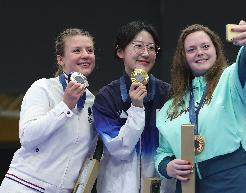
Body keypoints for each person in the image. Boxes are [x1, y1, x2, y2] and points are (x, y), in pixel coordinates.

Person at [155, 20, 246, 193]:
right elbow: (163, 150)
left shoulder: (233, 80)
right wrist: (167, 167)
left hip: (235, 178)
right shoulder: (172, 106)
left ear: (216, 49)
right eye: (191, 50)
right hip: (189, 185)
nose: (199, 53)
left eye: (205, 46)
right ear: (183, 58)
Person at [0, 28, 97, 193]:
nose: (85, 54)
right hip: (25, 186)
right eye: (76, 50)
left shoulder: (92, 102)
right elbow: (27, 137)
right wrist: (65, 106)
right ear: (61, 59)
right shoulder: (43, 88)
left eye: (90, 50)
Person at [92, 20, 175, 193]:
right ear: (120, 51)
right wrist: (136, 108)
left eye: (152, 48)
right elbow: (120, 149)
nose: (146, 53)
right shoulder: (105, 98)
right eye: (138, 46)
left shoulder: (169, 94)